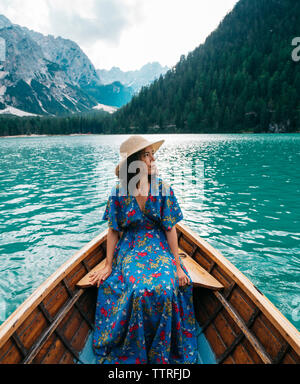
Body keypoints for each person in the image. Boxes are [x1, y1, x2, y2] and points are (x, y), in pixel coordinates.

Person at [90, 135, 198, 364]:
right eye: (147, 155)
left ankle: (162, 349)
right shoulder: (118, 192)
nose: (153, 159)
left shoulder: (163, 189)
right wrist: (109, 265)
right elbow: (113, 231)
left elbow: (170, 229)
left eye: (152, 154)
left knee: (168, 288)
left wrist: (177, 267)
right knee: (139, 290)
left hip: (158, 246)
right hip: (130, 246)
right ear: (135, 163)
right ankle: (136, 349)